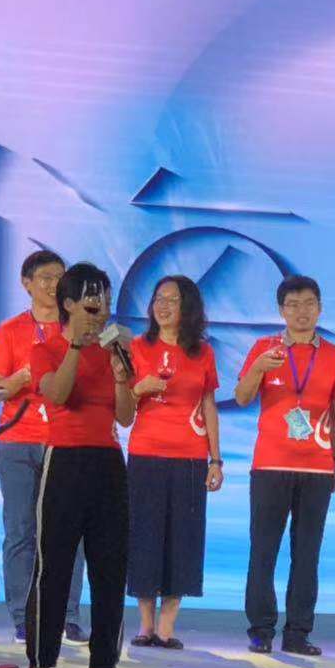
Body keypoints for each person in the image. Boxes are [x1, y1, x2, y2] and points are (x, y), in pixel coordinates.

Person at [25, 262, 134, 668]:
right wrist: (75, 345)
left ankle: (104, 666)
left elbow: (125, 416)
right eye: (91, 303)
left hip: (109, 464)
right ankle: (41, 662)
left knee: (111, 569)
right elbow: (57, 394)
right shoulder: (46, 349)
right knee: (54, 566)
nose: (100, 311)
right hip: (65, 462)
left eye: (105, 302)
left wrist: (122, 377)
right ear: (68, 303)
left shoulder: (114, 349)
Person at [234, 275, 335, 656]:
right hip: (270, 465)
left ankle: (298, 632)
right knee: (263, 550)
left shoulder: (333, 355)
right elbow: (242, 397)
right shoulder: (264, 349)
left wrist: (334, 459)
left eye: (309, 303)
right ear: (281, 310)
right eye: (293, 304)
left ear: (320, 308)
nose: (302, 311)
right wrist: (258, 369)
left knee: (307, 553)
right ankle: (261, 629)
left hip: (317, 468)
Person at [0, 250, 88, 645]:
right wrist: (27, 376)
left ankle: (67, 615)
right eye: (45, 277)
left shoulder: (76, 331)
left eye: (60, 277)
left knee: (68, 533)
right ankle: (22, 616)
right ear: (26, 283)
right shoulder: (10, 331)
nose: (53, 284)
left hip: (65, 440)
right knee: (21, 531)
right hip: (18, 443)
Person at [126, 275, 223, 649]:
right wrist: (140, 388)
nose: (163, 305)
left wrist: (216, 460)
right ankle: (145, 624)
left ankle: (167, 628)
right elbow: (121, 405)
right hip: (145, 454)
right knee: (144, 537)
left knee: (183, 538)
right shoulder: (137, 347)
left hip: (190, 458)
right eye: (158, 298)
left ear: (189, 307)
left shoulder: (203, 353)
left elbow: (209, 405)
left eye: (172, 299)